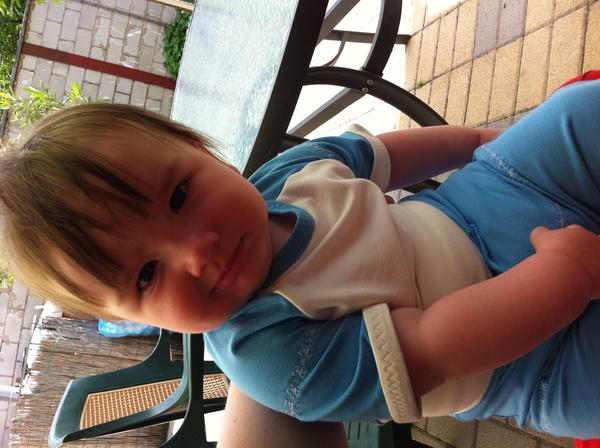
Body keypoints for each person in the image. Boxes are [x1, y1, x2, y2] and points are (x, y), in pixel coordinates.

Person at [1, 78, 600, 441]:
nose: (196, 251)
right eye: (147, 274)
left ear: (204, 150)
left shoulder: (287, 175)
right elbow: (437, 347)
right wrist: (563, 278)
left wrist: (482, 146)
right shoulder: (269, 356)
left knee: (578, 112)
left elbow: (385, 156)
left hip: (481, 201)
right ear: (132, 319)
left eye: (180, 196)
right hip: (528, 364)